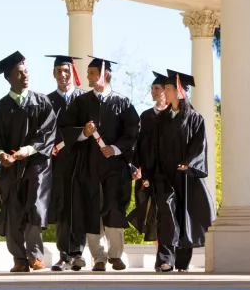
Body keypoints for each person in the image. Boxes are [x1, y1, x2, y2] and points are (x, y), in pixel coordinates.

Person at [60, 56, 140, 271]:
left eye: (92, 73)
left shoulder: (122, 103)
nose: (88, 76)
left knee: (114, 207)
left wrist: (114, 149)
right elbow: (66, 127)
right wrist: (83, 133)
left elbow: (132, 131)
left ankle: (115, 255)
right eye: (88, 73)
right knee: (91, 208)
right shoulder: (81, 102)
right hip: (89, 164)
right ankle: (98, 257)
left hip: (115, 166)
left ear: (104, 74)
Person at [0, 51, 57, 272]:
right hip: (11, 166)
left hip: (36, 164)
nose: (25, 76)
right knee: (13, 210)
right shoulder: (0, 107)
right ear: (9, 77)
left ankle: (35, 256)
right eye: (19, 73)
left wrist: (28, 150)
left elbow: (48, 131)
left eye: (26, 71)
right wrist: (1, 155)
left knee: (35, 206)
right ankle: (19, 259)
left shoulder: (41, 101)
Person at [152, 69, 215, 272]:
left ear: (180, 91)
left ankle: (181, 262)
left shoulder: (195, 118)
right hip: (163, 174)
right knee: (166, 213)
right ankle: (165, 259)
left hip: (185, 175)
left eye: (169, 88)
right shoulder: (161, 119)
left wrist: (189, 163)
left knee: (184, 216)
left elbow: (199, 145)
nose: (166, 92)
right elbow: (151, 145)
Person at [45, 55, 87, 272]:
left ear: (73, 72)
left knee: (79, 206)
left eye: (67, 70)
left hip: (81, 161)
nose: (63, 75)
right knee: (62, 208)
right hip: (58, 161)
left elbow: (91, 128)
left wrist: (71, 135)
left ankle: (78, 252)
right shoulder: (47, 101)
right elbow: (46, 131)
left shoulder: (85, 99)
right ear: (53, 74)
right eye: (59, 71)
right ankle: (64, 255)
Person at [129, 71, 168, 247]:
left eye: (156, 88)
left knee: (166, 210)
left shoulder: (173, 115)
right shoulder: (145, 115)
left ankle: (166, 252)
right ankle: (160, 254)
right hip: (149, 169)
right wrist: (136, 167)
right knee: (151, 211)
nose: (153, 91)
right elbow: (139, 144)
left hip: (168, 171)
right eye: (151, 88)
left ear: (166, 90)